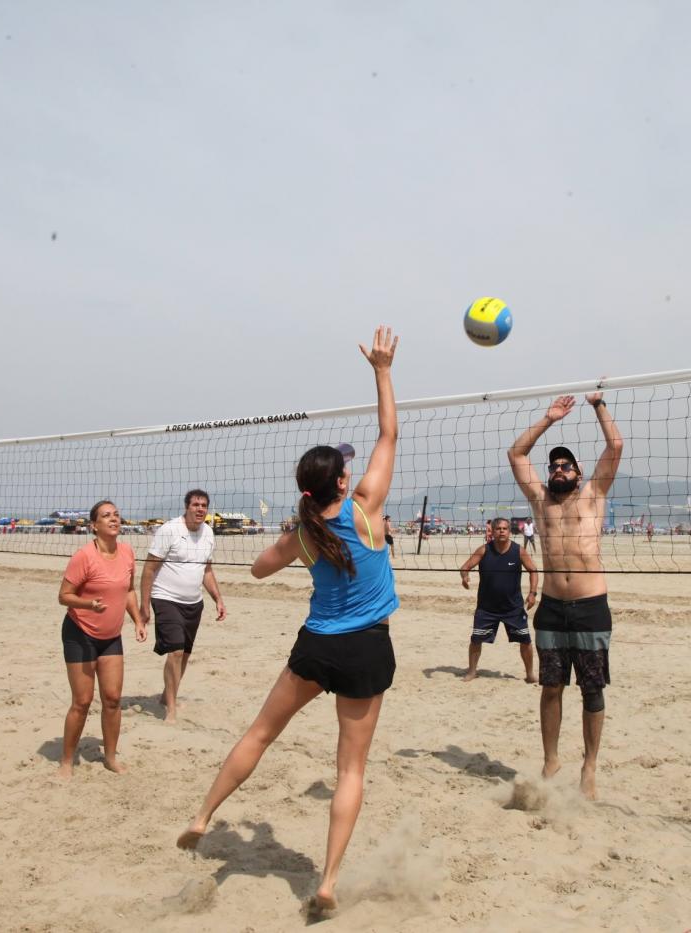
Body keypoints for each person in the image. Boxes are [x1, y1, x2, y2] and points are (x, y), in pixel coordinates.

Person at [177, 327, 399, 918]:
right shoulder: (365, 510)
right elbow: (388, 433)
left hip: (316, 648)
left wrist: (292, 541)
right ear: (343, 483)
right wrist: (382, 369)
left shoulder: (304, 533)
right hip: (366, 650)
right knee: (349, 767)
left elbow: (254, 571)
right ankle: (325, 882)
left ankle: (202, 816)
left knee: (259, 733)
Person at [509, 394, 623, 800]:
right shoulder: (540, 501)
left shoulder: (593, 495)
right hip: (552, 610)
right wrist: (548, 419)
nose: (558, 469)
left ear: (577, 472)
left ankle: (589, 766)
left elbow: (615, 447)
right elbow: (516, 452)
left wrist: (598, 406)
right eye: (554, 465)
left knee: (592, 690)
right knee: (551, 686)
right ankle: (551, 759)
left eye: (565, 465)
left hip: (591, 607)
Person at [57, 500, 146, 777]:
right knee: (82, 701)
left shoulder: (128, 552)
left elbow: (129, 590)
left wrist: (138, 620)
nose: (114, 519)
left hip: (111, 636)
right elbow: (64, 596)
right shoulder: (84, 556)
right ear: (94, 526)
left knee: (112, 698)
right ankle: (67, 761)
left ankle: (110, 757)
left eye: (117, 514)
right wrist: (88, 605)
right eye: (106, 516)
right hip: (79, 632)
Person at [140, 489, 226, 724]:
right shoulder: (169, 530)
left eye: (204, 505)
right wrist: (144, 605)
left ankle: (167, 695)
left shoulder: (208, 533)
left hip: (193, 602)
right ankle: (171, 709)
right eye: (195, 505)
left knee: (185, 654)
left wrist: (217, 598)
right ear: (186, 507)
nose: (200, 509)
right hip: (166, 598)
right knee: (175, 651)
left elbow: (206, 570)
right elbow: (148, 569)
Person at [459, 517, 539, 682]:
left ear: (509, 532)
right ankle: (472, 671)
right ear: (492, 531)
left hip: (513, 607)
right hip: (487, 608)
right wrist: (465, 577)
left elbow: (533, 570)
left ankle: (530, 674)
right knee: (476, 639)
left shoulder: (518, 551)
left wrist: (532, 593)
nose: (501, 531)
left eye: (504, 528)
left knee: (525, 640)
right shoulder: (484, 550)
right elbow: (465, 567)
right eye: (498, 529)